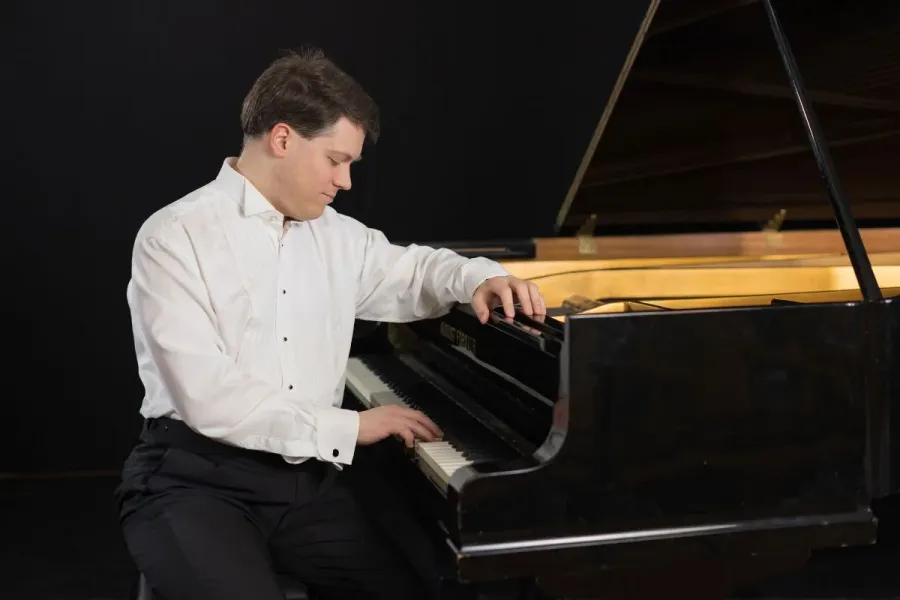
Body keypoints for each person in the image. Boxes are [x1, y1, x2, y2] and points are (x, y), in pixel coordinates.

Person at [114, 47, 547, 600]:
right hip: (193, 479)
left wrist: (477, 277)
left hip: (306, 486)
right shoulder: (174, 236)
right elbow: (207, 395)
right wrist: (349, 427)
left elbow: (415, 271)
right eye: (336, 160)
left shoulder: (338, 236)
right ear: (283, 138)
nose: (344, 181)